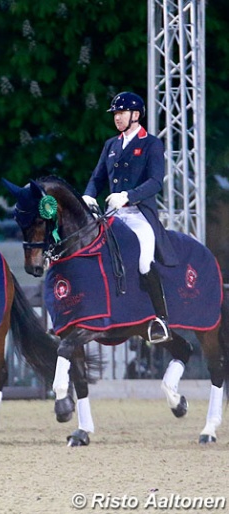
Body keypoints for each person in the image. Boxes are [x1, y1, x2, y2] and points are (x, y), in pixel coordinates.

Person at [82, 92, 177, 343]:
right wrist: (89, 196)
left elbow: (156, 182)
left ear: (136, 115)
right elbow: (97, 177)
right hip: (112, 214)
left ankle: (161, 319)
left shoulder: (151, 144)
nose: (117, 118)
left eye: (121, 113)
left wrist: (127, 196)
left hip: (138, 214)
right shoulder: (111, 145)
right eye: (115, 114)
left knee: (144, 261)